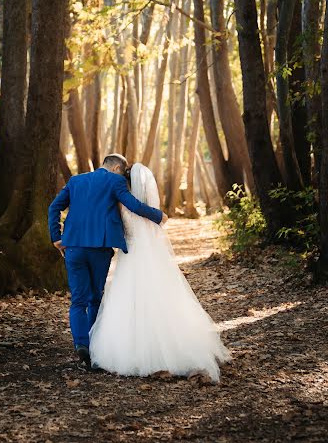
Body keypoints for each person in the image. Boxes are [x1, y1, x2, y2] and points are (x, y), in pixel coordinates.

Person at [89, 163, 231, 381]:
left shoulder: (122, 203)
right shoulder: (148, 207)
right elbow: (151, 227)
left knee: (130, 299)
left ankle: (133, 350)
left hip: (130, 256)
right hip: (151, 254)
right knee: (160, 297)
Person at [48, 154, 167, 369]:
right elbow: (133, 205)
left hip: (73, 247)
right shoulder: (116, 181)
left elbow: (54, 207)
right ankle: (94, 347)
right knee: (95, 298)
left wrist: (56, 237)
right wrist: (158, 215)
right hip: (100, 249)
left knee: (78, 300)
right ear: (117, 168)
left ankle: (80, 345)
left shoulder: (76, 181)